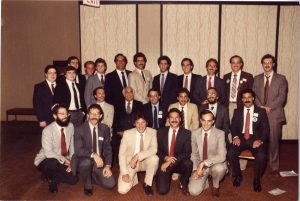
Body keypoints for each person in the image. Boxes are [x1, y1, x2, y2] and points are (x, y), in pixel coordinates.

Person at [228, 89, 270, 192]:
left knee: (261, 156)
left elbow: (266, 129)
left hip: (255, 139)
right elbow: (233, 127)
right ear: (242, 99)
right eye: (244, 98)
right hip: (241, 138)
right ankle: (238, 175)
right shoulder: (237, 111)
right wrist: (235, 137)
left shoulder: (261, 111)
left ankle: (256, 179)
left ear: (253, 98)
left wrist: (260, 140)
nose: (247, 100)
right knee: (230, 152)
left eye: (249, 97)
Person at [252, 54, 288, 175]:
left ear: (273, 64)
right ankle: (258, 161)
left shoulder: (281, 78)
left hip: (274, 113)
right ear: (262, 64)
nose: (267, 65)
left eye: (269, 63)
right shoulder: (256, 78)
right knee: (257, 138)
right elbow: (253, 95)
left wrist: (269, 107)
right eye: (264, 63)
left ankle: (274, 166)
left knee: (273, 140)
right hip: (260, 112)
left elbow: (282, 97)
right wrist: (261, 107)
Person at [34, 104, 78, 193]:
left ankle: (48, 174)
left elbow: (72, 145)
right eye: (61, 114)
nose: (65, 116)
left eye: (66, 113)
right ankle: (52, 181)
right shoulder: (47, 130)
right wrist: (65, 160)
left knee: (73, 180)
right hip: (46, 160)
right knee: (52, 161)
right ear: (55, 116)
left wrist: (72, 161)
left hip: (62, 159)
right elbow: (48, 153)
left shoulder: (71, 126)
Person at [73, 104, 115, 196]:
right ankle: (87, 183)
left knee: (110, 184)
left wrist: (108, 166)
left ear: (100, 116)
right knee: (86, 163)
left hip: (99, 162)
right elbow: (78, 150)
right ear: (88, 115)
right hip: (84, 158)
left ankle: (90, 174)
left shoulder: (105, 128)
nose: (94, 116)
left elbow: (108, 148)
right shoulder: (79, 129)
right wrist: (94, 155)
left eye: (97, 114)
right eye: (92, 113)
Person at [118, 113, 158, 196]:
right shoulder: (127, 133)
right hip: (131, 163)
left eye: (143, 122)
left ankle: (147, 183)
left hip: (146, 161)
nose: (140, 125)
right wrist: (124, 172)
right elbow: (121, 154)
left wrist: (137, 156)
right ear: (134, 123)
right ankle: (133, 177)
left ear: (147, 123)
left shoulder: (153, 132)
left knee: (155, 159)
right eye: (138, 122)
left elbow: (154, 149)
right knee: (122, 190)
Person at [188, 110, 227, 197]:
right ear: (200, 120)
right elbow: (194, 154)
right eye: (204, 120)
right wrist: (195, 170)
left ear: (213, 121)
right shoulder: (194, 133)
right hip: (199, 166)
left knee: (220, 169)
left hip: (215, 164)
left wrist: (204, 163)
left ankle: (216, 185)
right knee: (193, 191)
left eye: (209, 121)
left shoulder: (220, 134)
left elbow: (222, 156)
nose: (206, 124)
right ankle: (204, 180)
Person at [156, 108, 192, 196]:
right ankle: (160, 177)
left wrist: (170, 161)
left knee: (189, 163)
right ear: (168, 119)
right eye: (172, 118)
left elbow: (187, 152)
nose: (174, 120)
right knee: (162, 191)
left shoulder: (187, 133)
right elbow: (157, 150)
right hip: (165, 163)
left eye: (176, 118)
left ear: (180, 119)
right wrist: (166, 158)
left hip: (179, 162)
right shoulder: (160, 132)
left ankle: (183, 183)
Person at [112, 86, 144, 162]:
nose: (129, 94)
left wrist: (133, 131)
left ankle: (133, 162)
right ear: (123, 94)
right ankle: (120, 163)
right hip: (121, 132)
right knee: (114, 141)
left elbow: (141, 120)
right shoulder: (118, 105)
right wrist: (119, 131)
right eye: (127, 92)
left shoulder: (139, 104)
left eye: (131, 92)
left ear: (133, 94)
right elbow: (115, 120)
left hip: (135, 131)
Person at [223, 55, 254, 120]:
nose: (235, 64)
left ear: (241, 64)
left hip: (242, 105)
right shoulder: (226, 77)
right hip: (228, 105)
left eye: (237, 62)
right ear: (231, 64)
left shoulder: (248, 76)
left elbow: (252, 92)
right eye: (233, 63)